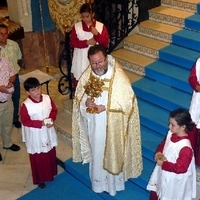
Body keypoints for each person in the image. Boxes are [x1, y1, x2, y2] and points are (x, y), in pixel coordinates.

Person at [72, 45, 142, 196]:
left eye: (100, 61)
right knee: (97, 151)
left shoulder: (118, 76)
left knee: (112, 151)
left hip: (113, 124)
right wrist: (86, 102)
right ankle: (98, 183)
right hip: (95, 124)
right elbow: (80, 95)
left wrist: (107, 107)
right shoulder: (88, 74)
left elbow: (128, 102)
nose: (97, 66)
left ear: (106, 58)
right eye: (94, 63)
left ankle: (112, 185)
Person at [147, 108, 196, 200]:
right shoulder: (171, 133)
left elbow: (181, 168)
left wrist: (163, 164)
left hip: (175, 179)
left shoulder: (185, 148)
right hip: (165, 171)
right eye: (170, 123)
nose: (169, 126)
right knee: (159, 190)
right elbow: (164, 144)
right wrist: (159, 152)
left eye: (173, 125)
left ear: (183, 127)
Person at [20, 77, 58, 189]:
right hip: (35, 133)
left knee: (49, 151)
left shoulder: (47, 98)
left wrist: (51, 119)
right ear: (27, 92)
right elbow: (25, 121)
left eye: (38, 88)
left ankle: (51, 172)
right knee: (38, 156)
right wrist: (40, 123)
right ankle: (40, 178)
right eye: (33, 90)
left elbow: (54, 110)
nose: (37, 92)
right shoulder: (25, 105)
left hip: (47, 130)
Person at [70, 3, 109, 90]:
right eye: (83, 17)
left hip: (96, 60)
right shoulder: (77, 27)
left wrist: (96, 34)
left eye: (87, 16)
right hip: (81, 59)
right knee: (80, 82)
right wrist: (87, 42)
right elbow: (73, 42)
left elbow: (105, 43)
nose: (85, 19)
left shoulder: (100, 26)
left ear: (93, 14)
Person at [0, 23, 23, 128]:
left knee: (15, 98)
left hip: (14, 78)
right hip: (1, 82)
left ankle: (14, 118)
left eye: (5, 33)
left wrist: (12, 77)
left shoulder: (14, 44)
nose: (3, 36)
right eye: (1, 34)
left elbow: (18, 58)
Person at [0, 57, 20, 161]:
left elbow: (12, 75)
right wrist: (1, 88)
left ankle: (7, 143)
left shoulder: (5, 60)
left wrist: (11, 82)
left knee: (7, 124)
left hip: (8, 100)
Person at [188, 57, 200, 167]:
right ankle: (190, 156)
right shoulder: (199, 61)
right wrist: (197, 86)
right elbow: (192, 77)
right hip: (198, 101)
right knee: (194, 128)